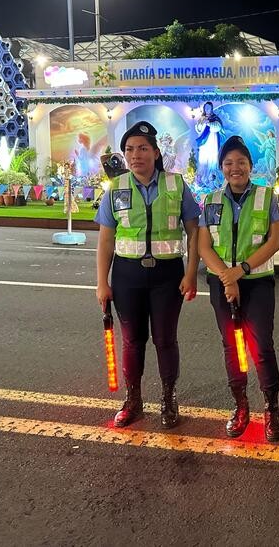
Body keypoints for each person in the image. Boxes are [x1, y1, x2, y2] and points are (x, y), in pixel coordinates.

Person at [95, 121, 201, 428]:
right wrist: (102, 282)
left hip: (168, 276)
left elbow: (194, 232)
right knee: (132, 341)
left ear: (155, 152)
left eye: (142, 148)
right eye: (129, 149)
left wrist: (191, 273)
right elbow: (105, 240)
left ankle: (169, 399)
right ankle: (134, 400)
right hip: (128, 276)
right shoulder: (116, 188)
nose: (135, 155)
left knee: (166, 340)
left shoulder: (176, 185)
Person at [198, 135, 279, 442]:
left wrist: (240, 271)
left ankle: (272, 410)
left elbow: (274, 242)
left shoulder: (267, 197)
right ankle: (240, 406)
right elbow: (203, 245)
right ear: (222, 167)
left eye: (241, 162)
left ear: (251, 165)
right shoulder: (210, 201)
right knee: (232, 346)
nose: (235, 168)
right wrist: (226, 277)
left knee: (262, 347)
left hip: (258, 283)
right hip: (222, 285)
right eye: (228, 163)